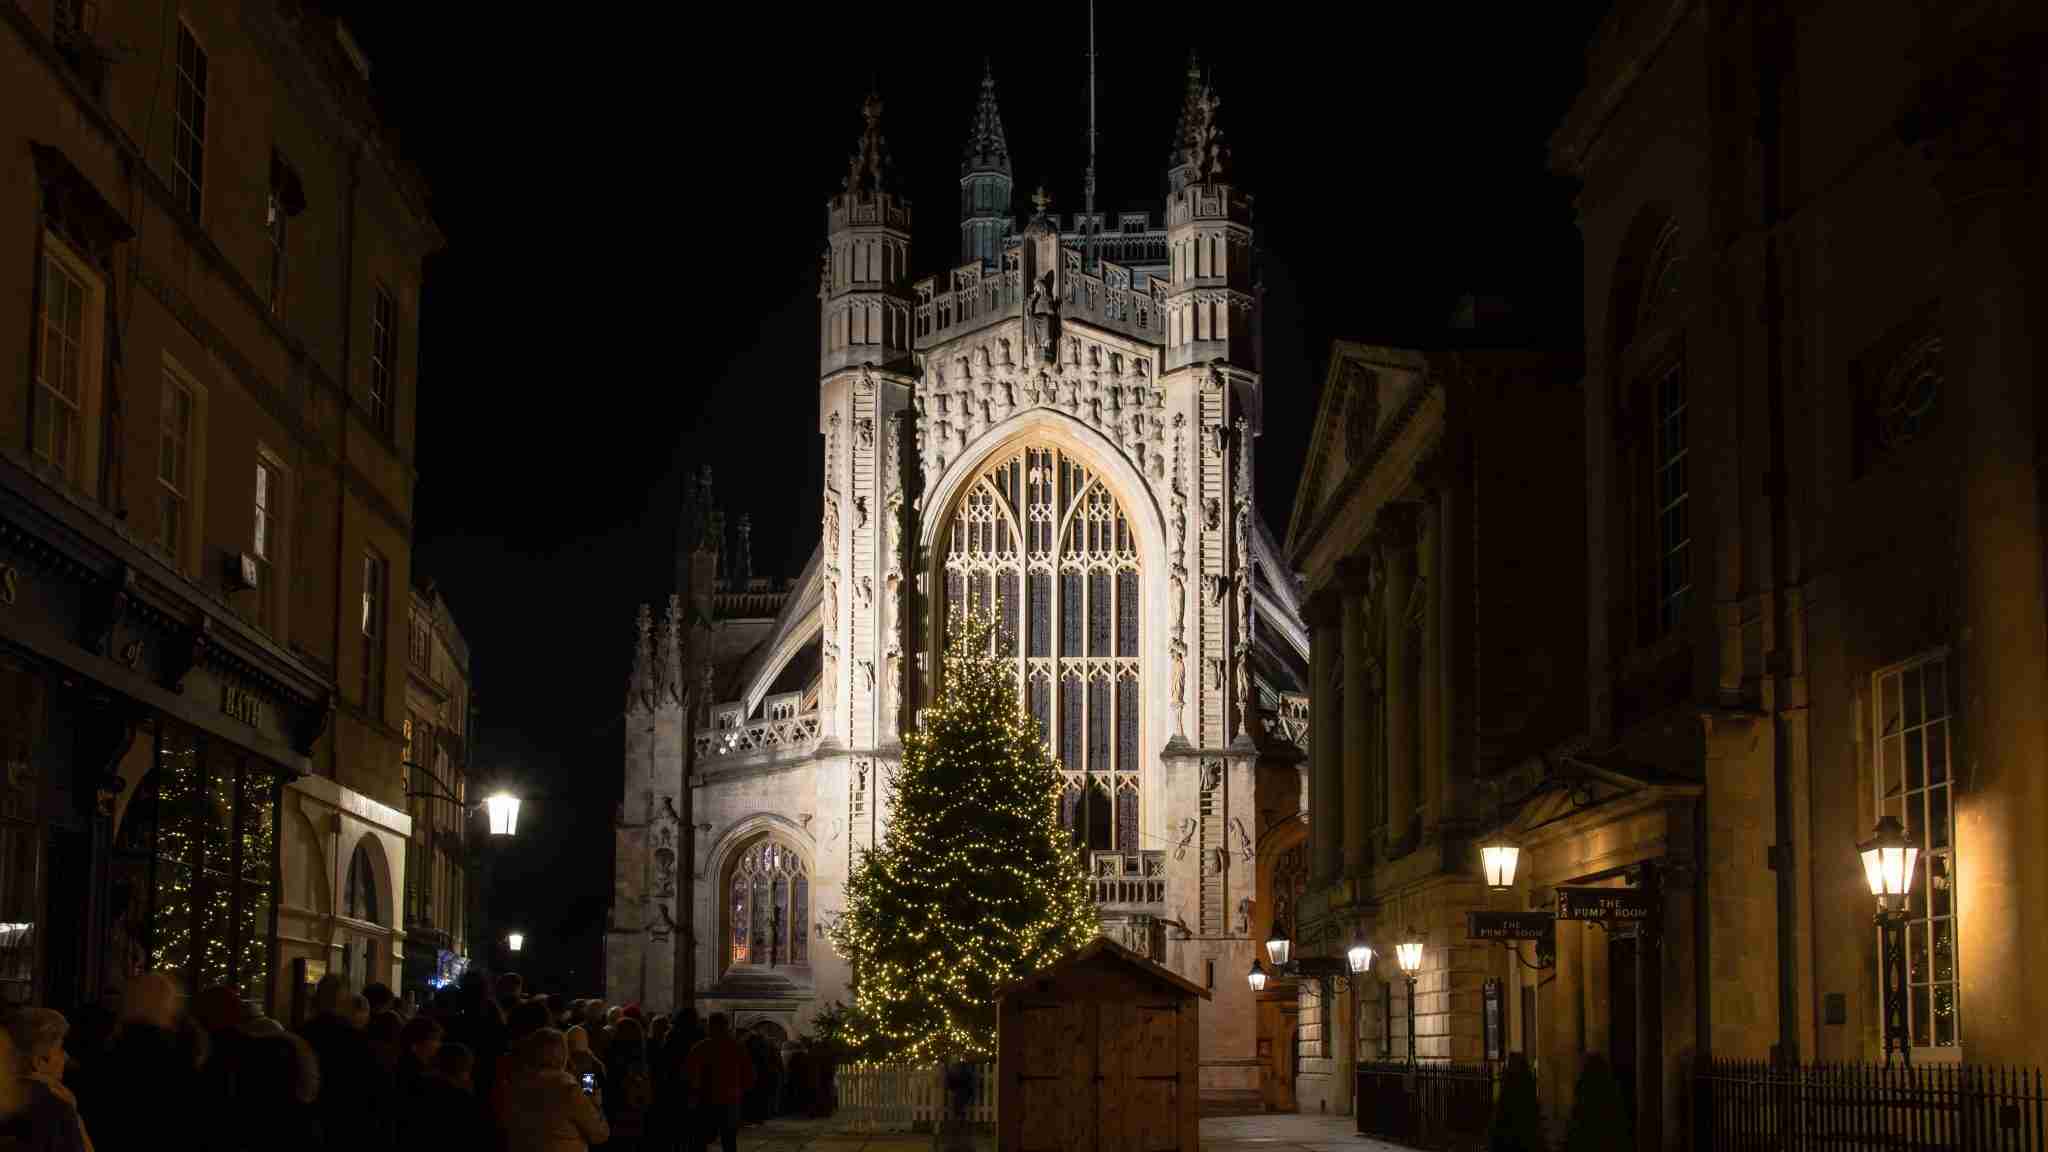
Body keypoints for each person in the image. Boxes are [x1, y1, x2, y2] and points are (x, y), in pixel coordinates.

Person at [498, 1028, 608, 1152]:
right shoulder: (568, 1091)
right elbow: (599, 1134)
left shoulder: (512, 1086)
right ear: (563, 1055)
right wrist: (594, 1101)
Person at [5, 1008, 90, 1152]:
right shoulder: (56, 1104)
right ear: (39, 1061)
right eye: (60, 1049)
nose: (66, 1056)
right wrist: (75, 1116)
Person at [683, 1013, 754, 1152]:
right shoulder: (737, 1047)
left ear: (710, 1026)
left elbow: (690, 1075)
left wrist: (693, 1095)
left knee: (700, 1140)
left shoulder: (701, 1047)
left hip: (706, 1100)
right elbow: (749, 1074)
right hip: (730, 1099)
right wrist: (741, 1092)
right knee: (729, 1140)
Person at [602, 1017, 653, 1151]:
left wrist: (588, 1094)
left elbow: (592, 1078)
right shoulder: (641, 1056)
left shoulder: (608, 1054)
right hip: (635, 1109)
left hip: (614, 1108)